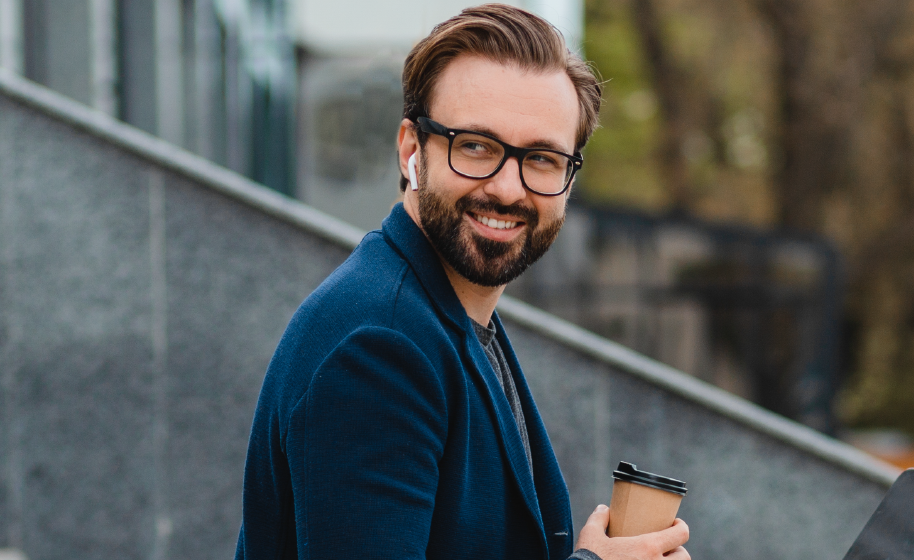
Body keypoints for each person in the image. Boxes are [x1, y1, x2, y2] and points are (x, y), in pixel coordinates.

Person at [235, 4, 689, 560]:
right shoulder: (379, 345)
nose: (506, 188)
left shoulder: (451, 316)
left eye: (542, 158)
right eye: (476, 146)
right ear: (412, 151)